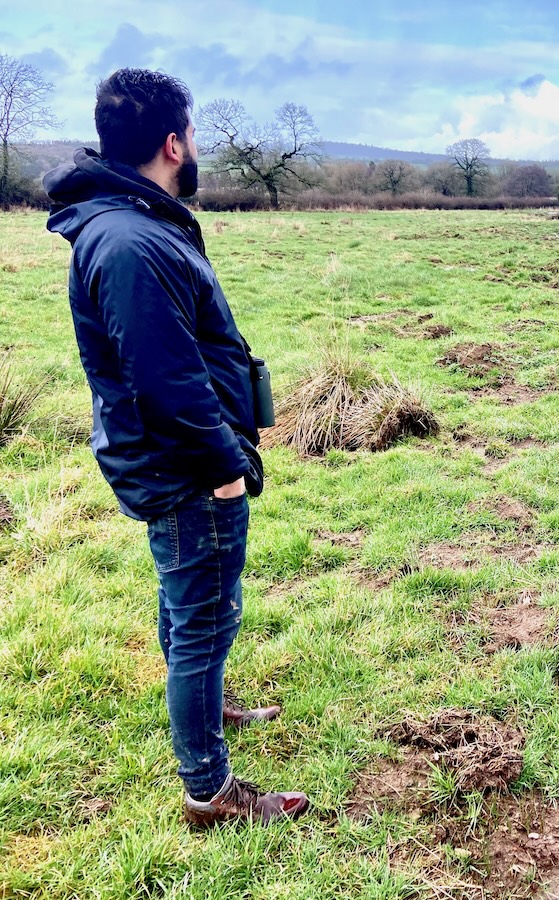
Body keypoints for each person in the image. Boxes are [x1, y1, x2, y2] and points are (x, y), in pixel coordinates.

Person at [43, 68, 308, 826]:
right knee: (204, 617)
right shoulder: (129, 239)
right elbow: (165, 379)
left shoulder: (131, 221)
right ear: (171, 143)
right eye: (193, 135)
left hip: (170, 460)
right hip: (186, 467)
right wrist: (225, 467)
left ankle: (209, 705)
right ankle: (210, 791)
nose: (196, 148)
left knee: (185, 599)